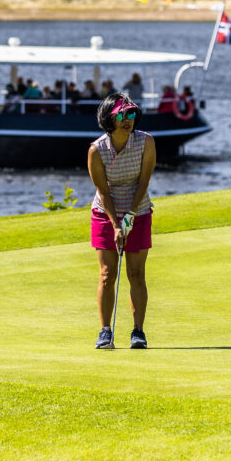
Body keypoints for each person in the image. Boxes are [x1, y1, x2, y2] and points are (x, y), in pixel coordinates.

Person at [88, 93, 156, 350]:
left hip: (138, 211)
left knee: (136, 274)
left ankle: (138, 332)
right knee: (107, 274)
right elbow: (103, 191)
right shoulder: (96, 150)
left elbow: (143, 182)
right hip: (105, 214)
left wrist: (129, 218)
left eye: (131, 114)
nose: (128, 120)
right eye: (121, 115)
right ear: (109, 118)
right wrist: (116, 225)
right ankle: (105, 331)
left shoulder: (145, 142)